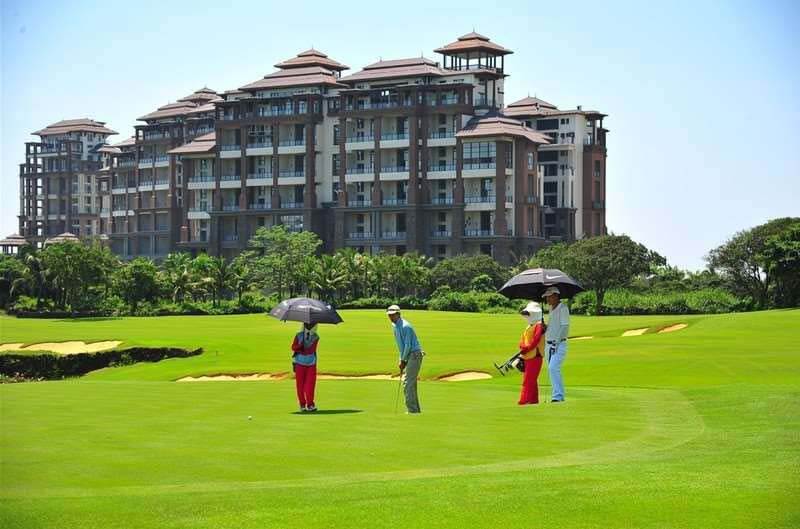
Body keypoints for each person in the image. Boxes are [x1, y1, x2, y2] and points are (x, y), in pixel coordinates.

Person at [386, 304, 424, 414]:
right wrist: (401, 359)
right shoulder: (395, 326)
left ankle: (412, 410)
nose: (390, 317)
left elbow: (408, 345)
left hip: (415, 354)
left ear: (398, 314)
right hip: (409, 355)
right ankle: (415, 410)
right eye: (389, 315)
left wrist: (403, 360)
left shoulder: (405, 326)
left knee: (407, 383)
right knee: (411, 384)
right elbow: (401, 346)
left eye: (393, 315)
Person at [543, 286, 570, 403]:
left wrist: (556, 343)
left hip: (559, 344)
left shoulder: (563, 308)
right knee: (551, 370)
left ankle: (558, 396)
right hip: (548, 344)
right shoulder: (551, 308)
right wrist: (545, 327)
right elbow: (553, 326)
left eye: (549, 297)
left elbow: (564, 326)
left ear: (555, 296)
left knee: (553, 367)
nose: (547, 299)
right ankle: (557, 394)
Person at [517, 301, 545, 405]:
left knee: (528, 380)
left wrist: (527, 348)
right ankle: (533, 400)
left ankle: (524, 400)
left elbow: (536, 339)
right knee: (531, 379)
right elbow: (523, 339)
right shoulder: (529, 326)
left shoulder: (539, 325)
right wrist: (522, 346)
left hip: (535, 356)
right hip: (527, 356)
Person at [291, 322, 319, 412]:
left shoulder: (316, 337)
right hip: (299, 363)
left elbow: (311, 350)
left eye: (312, 325)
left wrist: (302, 348)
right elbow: (293, 347)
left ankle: (310, 404)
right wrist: (300, 346)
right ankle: (302, 405)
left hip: (311, 363)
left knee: (310, 385)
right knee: (300, 386)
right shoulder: (298, 335)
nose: (310, 326)